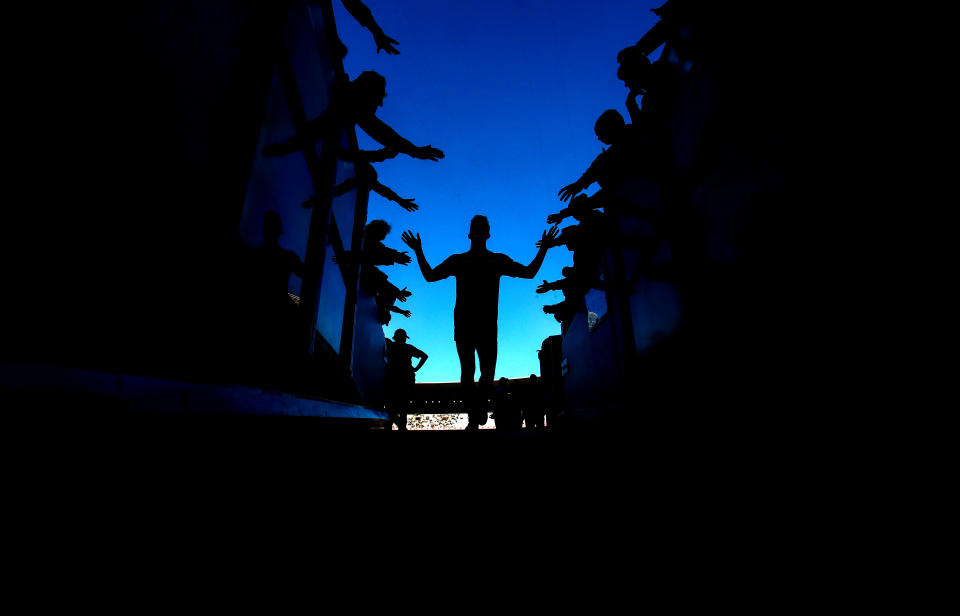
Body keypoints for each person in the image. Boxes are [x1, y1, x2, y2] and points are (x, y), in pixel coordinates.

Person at [401, 216, 559, 430]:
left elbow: (429, 276)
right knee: (483, 372)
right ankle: (477, 412)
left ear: (470, 234)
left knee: (468, 371)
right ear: (488, 234)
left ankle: (475, 415)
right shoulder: (495, 260)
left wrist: (418, 250)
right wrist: (545, 249)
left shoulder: (460, 260)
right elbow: (529, 272)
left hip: (466, 324)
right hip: (484, 325)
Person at [262, 71, 443, 163]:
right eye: (378, 98)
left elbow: (382, 133)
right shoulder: (341, 106)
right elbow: (382, 133)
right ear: (364, 94)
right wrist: (413, 151)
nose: (379, 105)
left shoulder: (339, 103)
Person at [385, 329, 427, 431]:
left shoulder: (390, 345)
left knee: (390, 405)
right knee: (403, 407)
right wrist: (415, 369)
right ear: (404, 338)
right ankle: (402, 426)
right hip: (407, 380)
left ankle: (398, 426)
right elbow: (425, 356)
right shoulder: (409, 348)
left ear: (395, 337)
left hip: (393, 380)